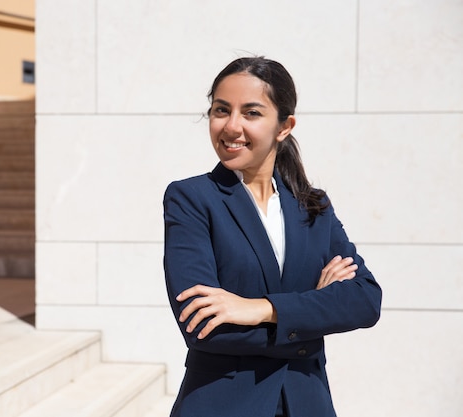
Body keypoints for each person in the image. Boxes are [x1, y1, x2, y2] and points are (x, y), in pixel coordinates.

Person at [163, 56, 382, 417]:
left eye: (251, 113)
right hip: (222, 405)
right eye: (221, 110)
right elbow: (203, 325)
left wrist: (259, 309)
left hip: (307, 402)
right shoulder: (191, 199)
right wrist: (315, 306)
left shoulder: (314, 207)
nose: (231, 126)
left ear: (284, 126)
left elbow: (365, 301)